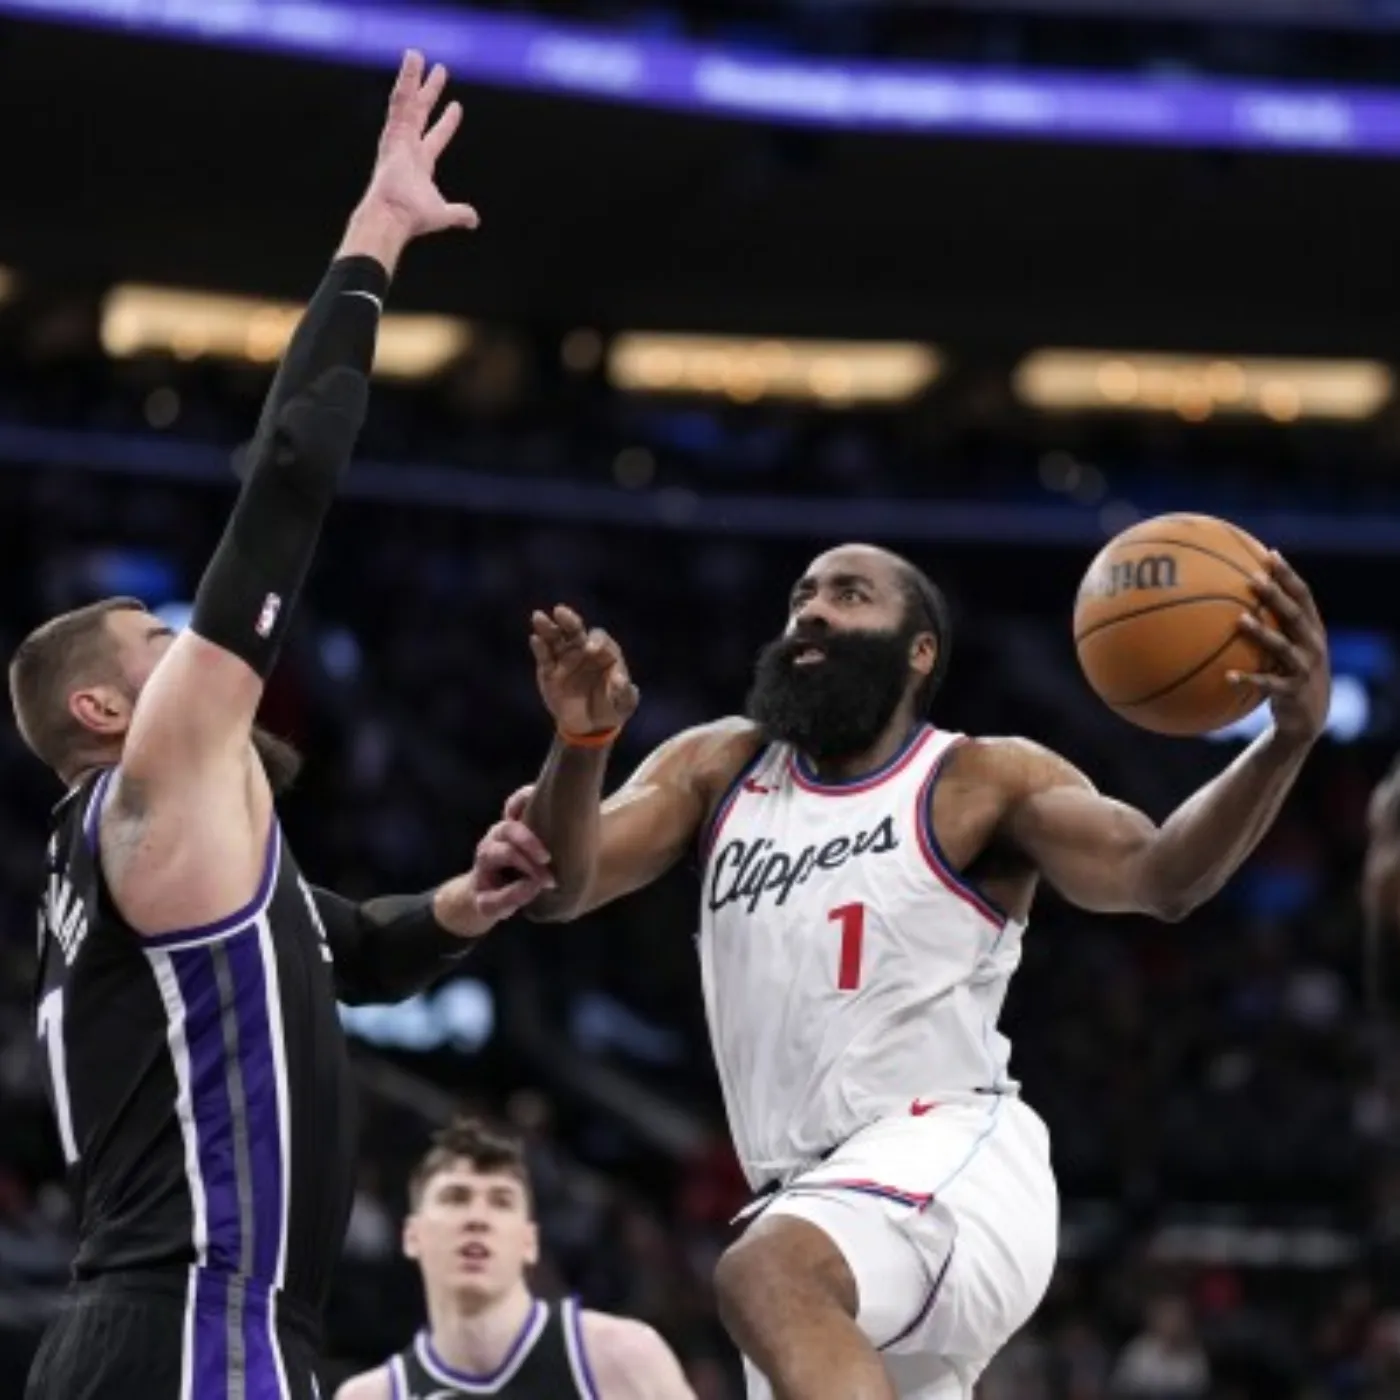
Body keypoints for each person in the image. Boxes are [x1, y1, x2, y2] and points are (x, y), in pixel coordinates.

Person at [11, 53, 554, 1400]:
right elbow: (291, 481)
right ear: (104, 709)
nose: (197, 658)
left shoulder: (152, 859)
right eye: (161, 644)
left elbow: (345, 950)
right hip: (201, 1323)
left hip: (153, 1330)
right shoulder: (154, 776)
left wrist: (463, 909)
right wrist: (375, 232)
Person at [513, 541, 1331, 1400]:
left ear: (920, 649)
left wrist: (1285, 742)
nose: (813, 611)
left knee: (762, 1277)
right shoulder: (720, 768)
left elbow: (1162, 876)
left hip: (947, 1158)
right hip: (814, 1207)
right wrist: (581, 739)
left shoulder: (980, 780)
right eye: (802, 596)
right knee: (778, 1281)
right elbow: (563, 888)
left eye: (850, 594)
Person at [333, 1116, 695, 1400]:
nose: (478, 1218)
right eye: (456, 1197)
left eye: (501, 1201)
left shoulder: (621, 1357)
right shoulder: (370, 1396)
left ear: (529, 1242)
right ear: (412, 1235)